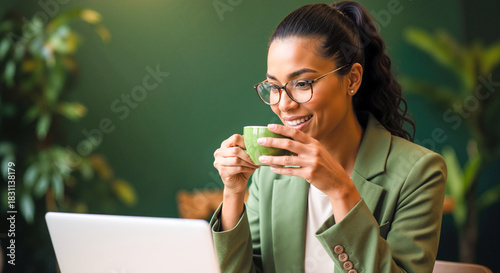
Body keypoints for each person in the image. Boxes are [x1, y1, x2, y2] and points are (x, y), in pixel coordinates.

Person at [211, 1, 447, 273]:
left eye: (302, 83)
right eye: (274, 87)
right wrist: (233, 192)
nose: (284, 104)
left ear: (352, 79)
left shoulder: (420, 172)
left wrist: (340, 190)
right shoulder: (271, 173)